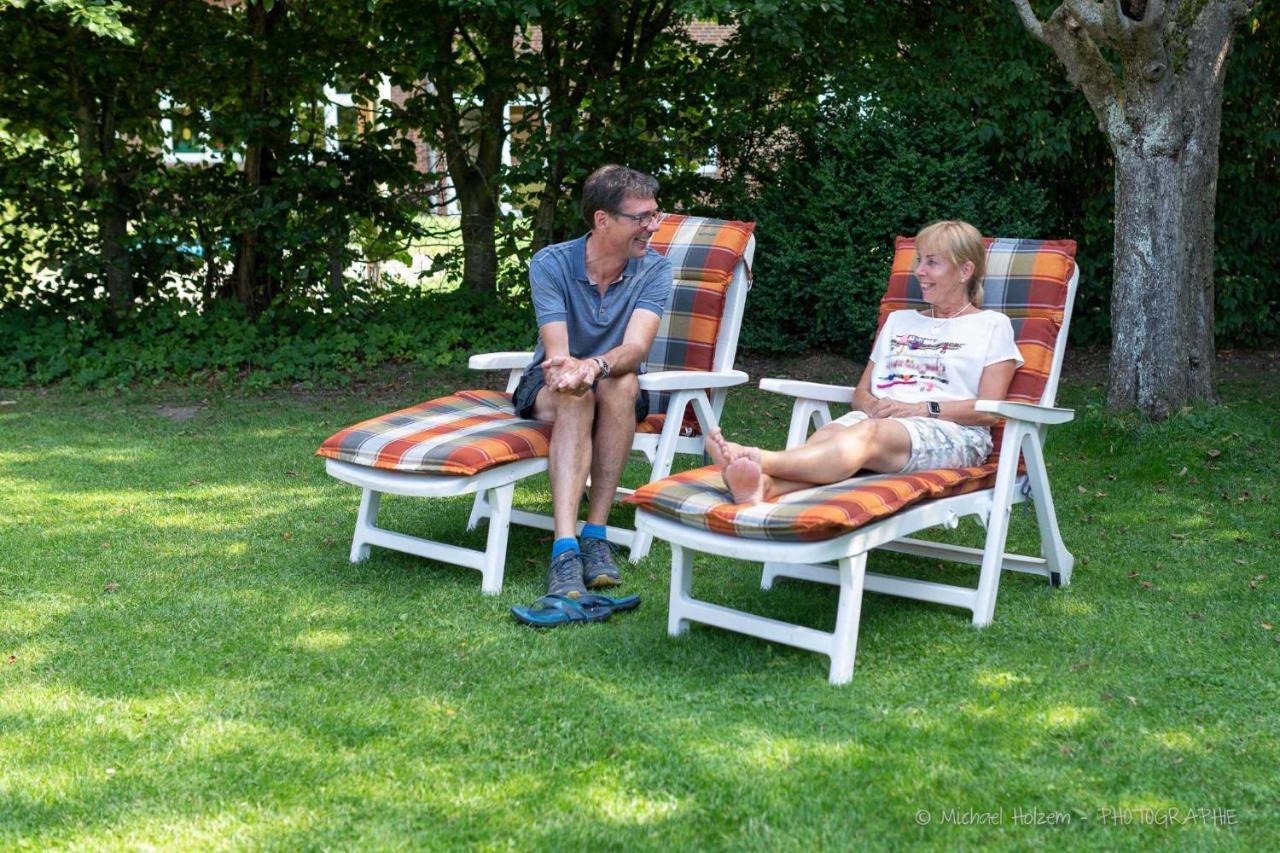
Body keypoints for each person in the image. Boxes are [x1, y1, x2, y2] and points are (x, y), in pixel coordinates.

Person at [707, 219, 1024, 504]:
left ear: (965, 271)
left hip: (952, 432)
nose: (919, 271)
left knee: (867, 436)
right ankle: (764, 486)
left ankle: (758, 458)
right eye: (919, 261)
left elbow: (988, 410)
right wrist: (871, 406)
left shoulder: (992, 325)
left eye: (932, 263)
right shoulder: (899, 321)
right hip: (879, 423)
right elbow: (861, 393)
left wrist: (921, 409)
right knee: (834, 436)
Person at [512, 165, 673, 598]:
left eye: (654, 215)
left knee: (620, 383)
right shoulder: (551, 264)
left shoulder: (655, 271)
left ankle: (595, 534)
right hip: (552, 386)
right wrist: (576, 373)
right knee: (575, 394)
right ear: (603, 220)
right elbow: (558, 354)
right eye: (641, 218)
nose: (652, 227)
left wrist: (596, 366)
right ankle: (565, 549)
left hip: (615, 384)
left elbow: (636, 349)